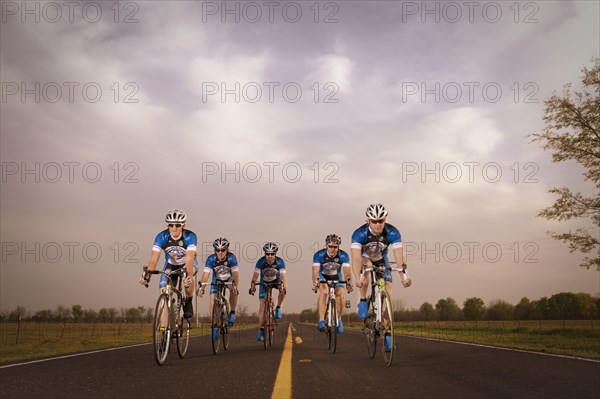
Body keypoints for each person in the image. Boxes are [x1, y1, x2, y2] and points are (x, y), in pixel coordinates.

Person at [351, 203, 411, 352]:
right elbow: (356, 259)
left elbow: (398, 257)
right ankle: (363, 301)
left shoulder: (392, 232)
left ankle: (388, 334)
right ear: (368, 221)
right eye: (374, 221)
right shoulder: (359, 234)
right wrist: (358, 278)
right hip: (365, 258)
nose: (378, 224)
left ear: (385, 219)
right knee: (366, 267)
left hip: (382, 260)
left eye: (381, 221)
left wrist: (403, 275)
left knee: (388, 292)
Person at [140, 209, 198, 319]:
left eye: (177, 225)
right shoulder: (161, 237)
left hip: (187, 264)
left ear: (183, 225)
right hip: (171, 265)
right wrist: (148, 274)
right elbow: (153, 260)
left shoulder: (190, 236)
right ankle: (164, 331)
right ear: (168, 225)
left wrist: (189, 276)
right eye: (171, 225)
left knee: (188, 275)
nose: (174, 228)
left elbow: (190, 259)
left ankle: (189, 300)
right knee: (163, 292)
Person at [197, 238, 240, 341]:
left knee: (233, 290)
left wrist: (235, 287)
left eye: (223, 250)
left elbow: (235, 275)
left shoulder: (231, 258)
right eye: (217, 250)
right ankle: (214, 326)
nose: (220, 252)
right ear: (215, 250)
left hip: (229, 278)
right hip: (216, 279)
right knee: (212, 301)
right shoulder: (211, 259)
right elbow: (205, 275)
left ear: (227, 249)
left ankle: (232, 312)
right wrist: (202, 288)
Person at [312, 234, 353, 334]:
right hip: (323, 277)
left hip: (337, 277)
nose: (332, 249)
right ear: (326, 245)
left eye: (335, 247)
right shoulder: (319, 255)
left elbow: (347, 271)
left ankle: (339, 319)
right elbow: (315, 271)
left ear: (338, 247)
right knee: (324, 292)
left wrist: (348, 282)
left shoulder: (343, 255)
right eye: (330, 246)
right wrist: (315, 282)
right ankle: (321, 320)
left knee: (340, 294)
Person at [249, 242, 287, 342]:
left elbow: (283, 276)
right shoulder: (260, 262)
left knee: (283, 290)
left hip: (276, 281)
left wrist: (284, 286)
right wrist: (252, 286)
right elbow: (255, 276)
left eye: (272, 254)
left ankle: (278, 307)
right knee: (262, 305)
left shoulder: (280, 262)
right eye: (267, 254)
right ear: (265, 254)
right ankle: (261, 330)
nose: (269, 256)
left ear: (275, 254)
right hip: (264, 282)